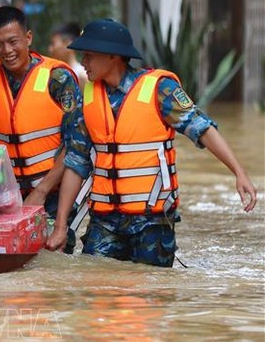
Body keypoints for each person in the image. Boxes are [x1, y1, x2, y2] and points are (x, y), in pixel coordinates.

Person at [47, 18, 258, 266]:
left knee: (150, 294)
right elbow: (76, 161)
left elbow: (203, 130)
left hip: (152, 221)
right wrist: (61, 226)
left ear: (112, 57)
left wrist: (239, 172)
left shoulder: (160, 90)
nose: (83, 63)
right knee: (95, 287)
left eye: (89, 55)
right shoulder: (90, 95)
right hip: (104, 221)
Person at [0, 5, 82, 253]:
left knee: (49, 270)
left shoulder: (58, 79)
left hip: (51, 195)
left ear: (28, 37)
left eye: (13, 41)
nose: (6, 51)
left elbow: (76, 146)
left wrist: (41, 191)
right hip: (2, 198)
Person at [48, 22, 88, 90]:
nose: (50, 49)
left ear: (68, 44)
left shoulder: (83, 77)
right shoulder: (48, 75)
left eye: (53, 44)